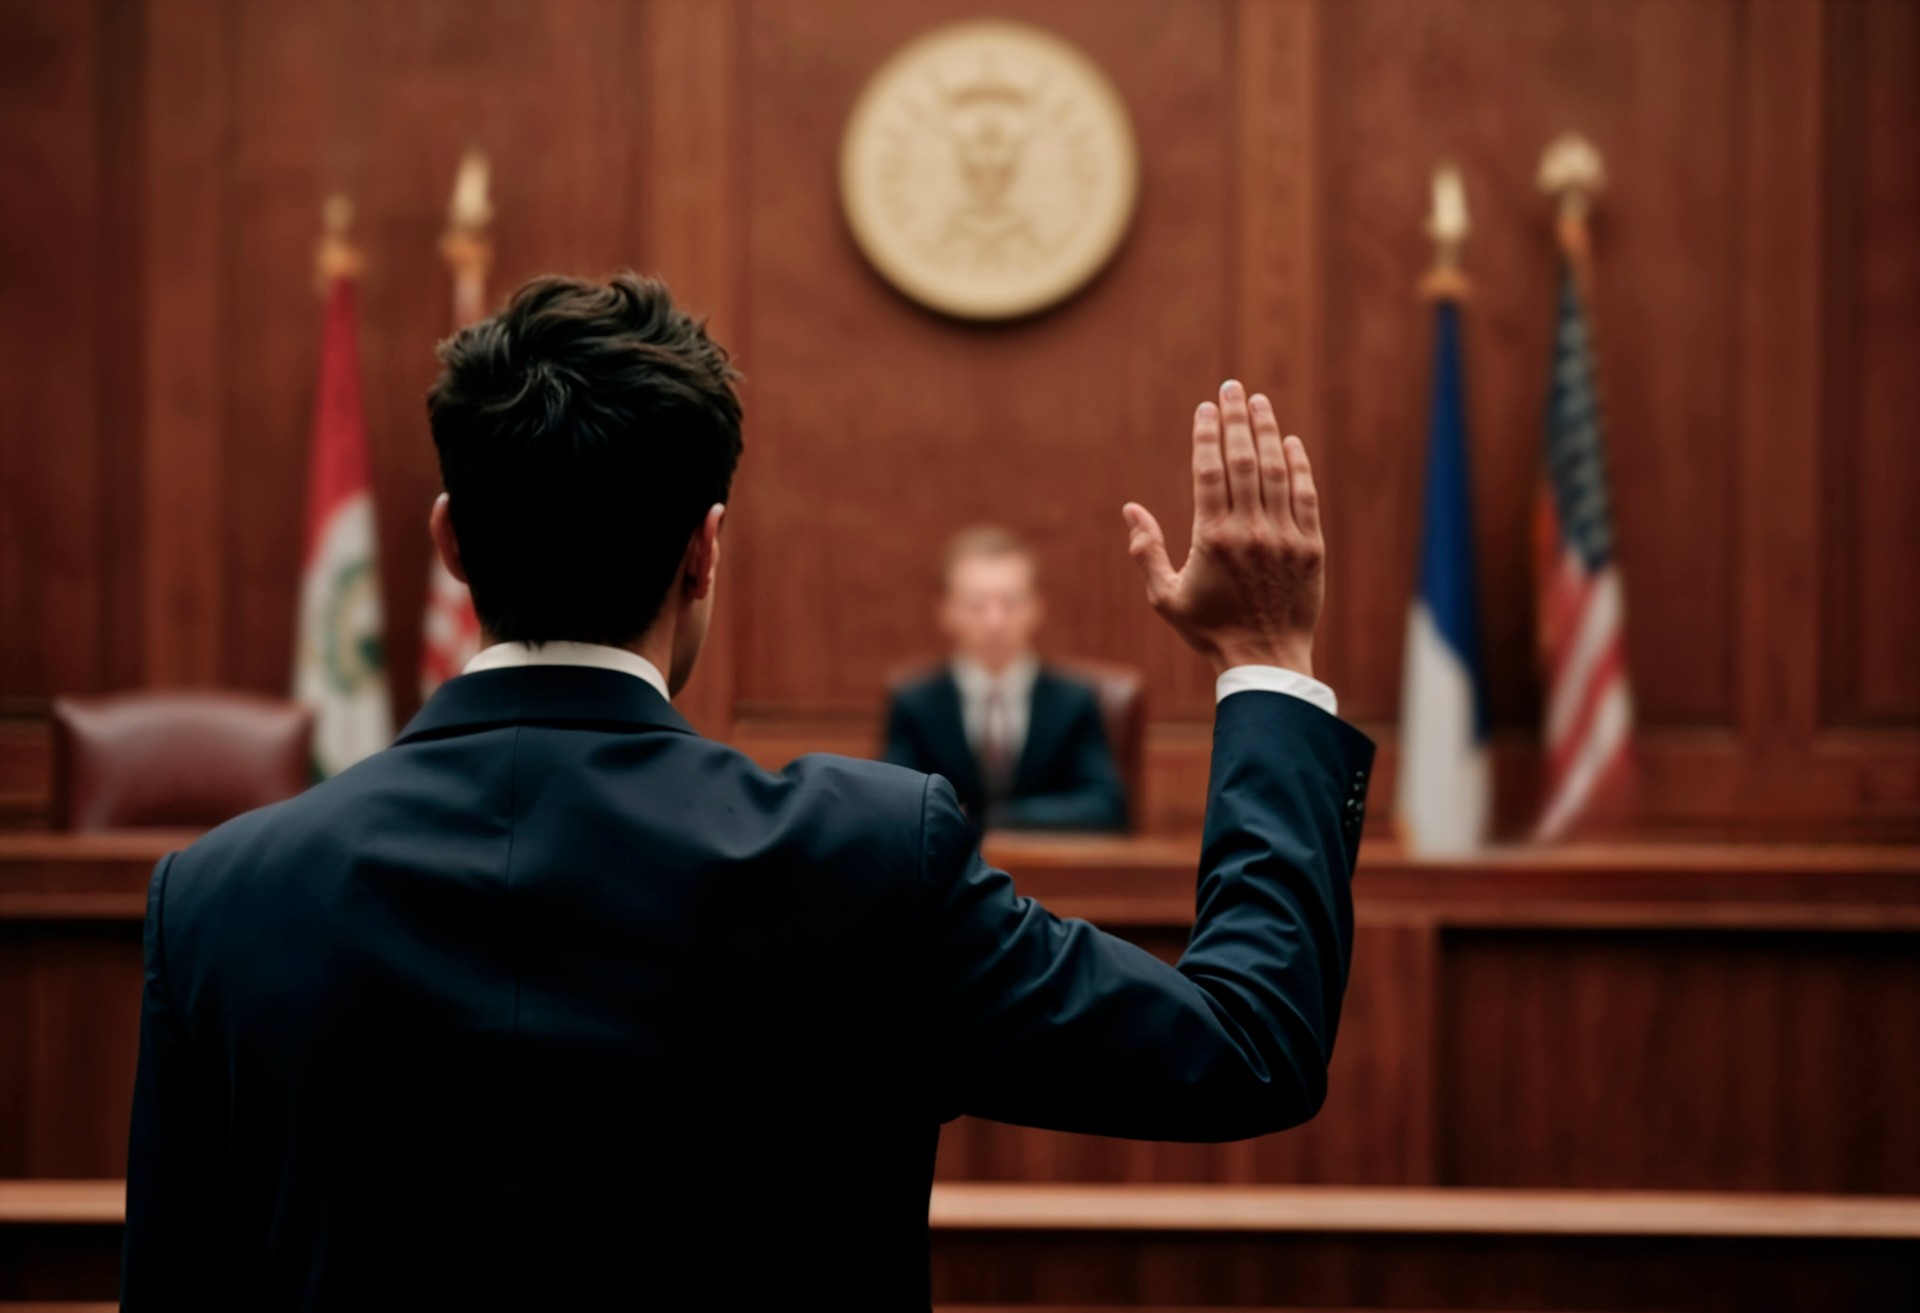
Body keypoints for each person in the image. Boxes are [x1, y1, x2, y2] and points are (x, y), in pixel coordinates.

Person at [122, 273, 1372, 1310]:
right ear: (705, 545)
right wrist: (1266, 666)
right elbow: (1245, 1047)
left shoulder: (217, 898)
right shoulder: (867, 861)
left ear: (450, 543)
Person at [882, 526, 1128, 831]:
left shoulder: (1074, 701)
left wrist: (995, 821)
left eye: (1010, 602)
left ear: (1037, 607)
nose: (994, 621)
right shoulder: (916, 702)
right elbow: (892, 805)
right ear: (946, 610)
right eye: (976, 604)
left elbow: (1105, 806)